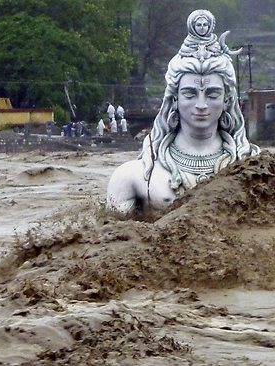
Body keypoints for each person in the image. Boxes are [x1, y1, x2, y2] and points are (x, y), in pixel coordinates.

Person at [106, 9, 259, 214]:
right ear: (175, 99)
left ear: (227, 99)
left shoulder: (253, 167)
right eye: (190, 94)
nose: (201, 104)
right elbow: (111, 240)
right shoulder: (133, 176)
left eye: (212, 95)